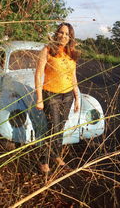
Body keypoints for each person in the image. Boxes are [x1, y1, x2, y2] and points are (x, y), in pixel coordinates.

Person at [35, 23, 80, 173]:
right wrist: (39, 98)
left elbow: (73, 76)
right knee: (53, 127)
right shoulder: (47, 50)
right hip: (51, 94)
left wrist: (77, 97)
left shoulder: (71, 53)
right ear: (56, 34)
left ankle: (56, 155)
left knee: (60, 127)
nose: (63, 36)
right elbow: (38, 74)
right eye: (61, 32)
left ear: (70, 37)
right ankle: (44, 160)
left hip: (67, 96)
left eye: (67, 34)